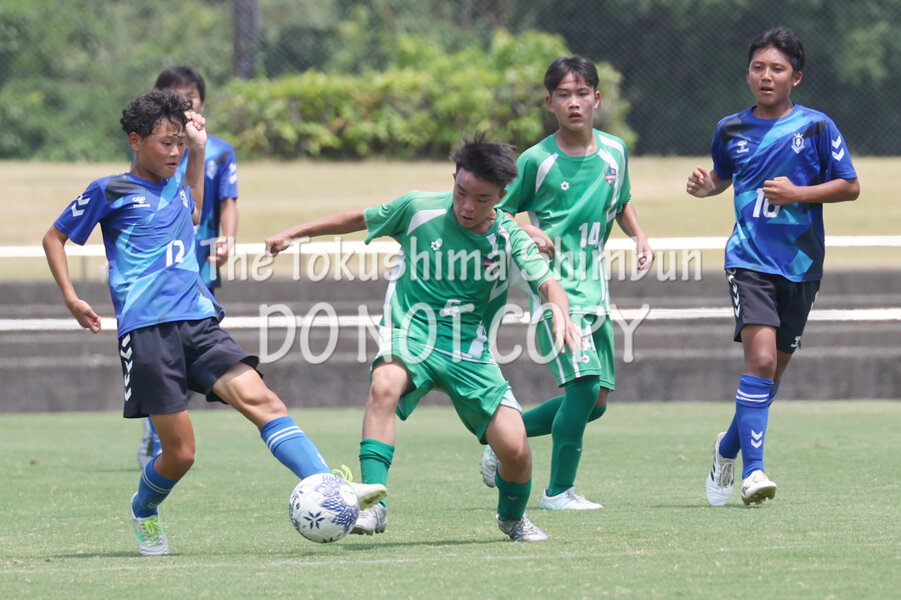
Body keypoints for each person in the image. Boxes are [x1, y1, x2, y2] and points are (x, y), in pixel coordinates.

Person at [42, 89, 385, 556]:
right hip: (147, 332)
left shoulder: (179, 186)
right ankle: (144, 509)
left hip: (199, 322)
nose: (175, 152)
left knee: (264, 401)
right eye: (166, 143)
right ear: (135, 140)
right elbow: (54, 237)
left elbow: (196, 209)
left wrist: (198, 151)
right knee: (181, 454)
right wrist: (71, 297)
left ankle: (331, 489)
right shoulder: (110, 190)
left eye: (180, 144)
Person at [265, 135, 581, 541]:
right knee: (384, 384)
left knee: (516, 449)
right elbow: (358, 218)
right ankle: (374, 506)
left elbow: (549, 284)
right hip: (411, 332)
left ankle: (512, 518)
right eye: (461, 192)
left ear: (502, 197)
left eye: (482, 199)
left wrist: (560, 313)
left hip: (469, 351)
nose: (467, 206)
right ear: (454, 178)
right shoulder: (417, 208)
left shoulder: (510, 236)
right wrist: (295, 232)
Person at [686, 26, 859, 506]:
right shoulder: (730, 128)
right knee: (759, 361)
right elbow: (723, 176)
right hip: (749, 260)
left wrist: (798, 193)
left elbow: (850, 185)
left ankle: (726, 449)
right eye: (758, 67)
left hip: (801, 264)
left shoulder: (817, 127)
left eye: (777, 69)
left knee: (770, 378)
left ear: (795, 77)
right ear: (747, 74)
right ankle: (754, 472)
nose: (766, 76)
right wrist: (706, 186)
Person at [479, 56, 654, 511]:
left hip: (597, 293)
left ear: (597, 98)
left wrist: (639, 235)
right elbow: (497, 212)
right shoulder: (537, 160)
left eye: (581, 93)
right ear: (549, 103)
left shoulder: (615, 152)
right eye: (563, 95)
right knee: (583, 385)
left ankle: (504, 436)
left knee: (596, 402)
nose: (573, 103)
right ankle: (558, 492)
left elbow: (622, 200)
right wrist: (530, 231)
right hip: (555, 293)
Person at [137, 65, 240, 468]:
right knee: (164, 355)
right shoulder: (155, 146)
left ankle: (163, 430)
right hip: (159, 267)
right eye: (176, 97)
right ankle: (157, 435)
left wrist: (228, 238)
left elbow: (228, 200)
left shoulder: (219, 150)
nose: (185, 103)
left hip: (200, 264)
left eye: (191, 97)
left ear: (202, 102)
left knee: (191, 355)